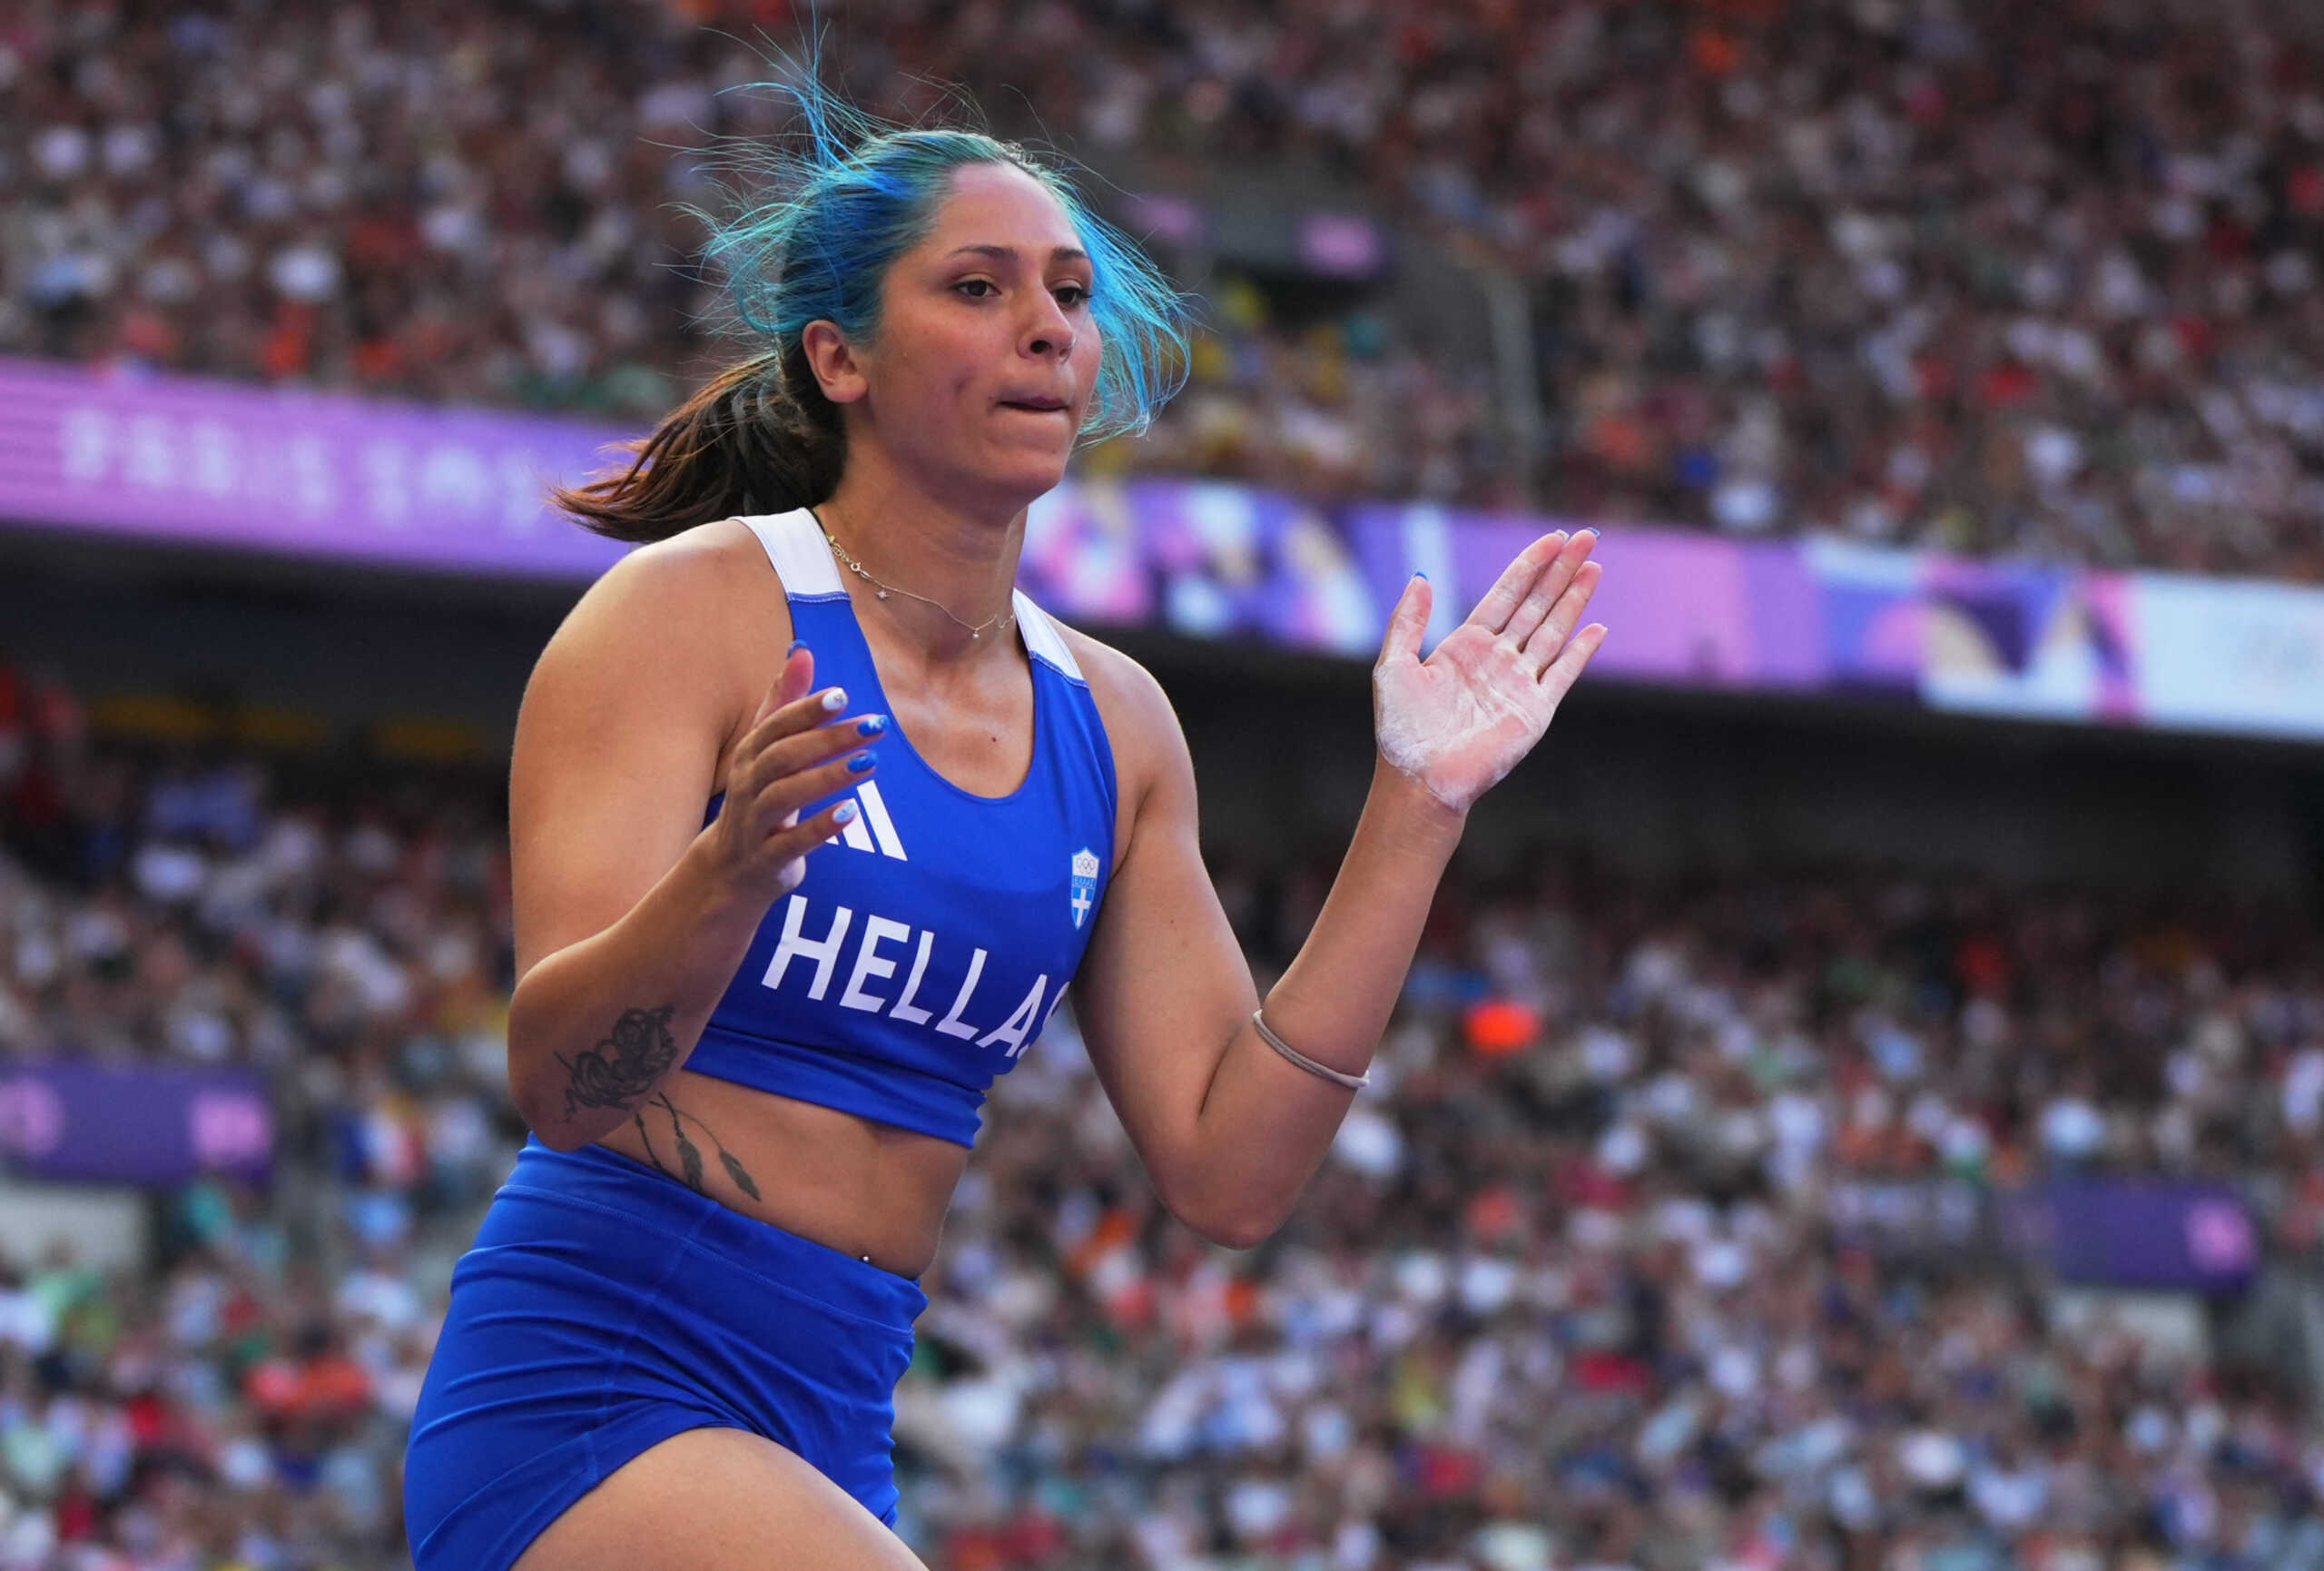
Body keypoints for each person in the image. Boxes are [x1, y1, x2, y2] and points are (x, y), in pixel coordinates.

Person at [399, 69, 1606, 1571]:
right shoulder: (689, 615)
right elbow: (565, 1085)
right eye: (978, 287)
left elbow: (1230, 1168)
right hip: (598, 1380)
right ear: (838, 356)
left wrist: (1418, 808)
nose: (1048, 326)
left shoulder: (1115, 722)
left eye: (1070, 293)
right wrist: (724, 876)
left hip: (836, 1419)